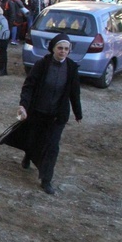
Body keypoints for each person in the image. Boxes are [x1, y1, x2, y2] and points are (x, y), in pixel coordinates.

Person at [15, 33, 82, 194]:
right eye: (60, 48)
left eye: (66, 49)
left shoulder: (71, 68)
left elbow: (74, 92)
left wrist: (77, 112)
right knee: (34, 139)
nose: (63, 51)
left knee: (52, 146)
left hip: (57, 116)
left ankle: (46, 179)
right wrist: (24, 105)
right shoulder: (42, 65)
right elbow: (29, 86)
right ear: (53, 49)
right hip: (38, 111)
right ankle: (29, 155)